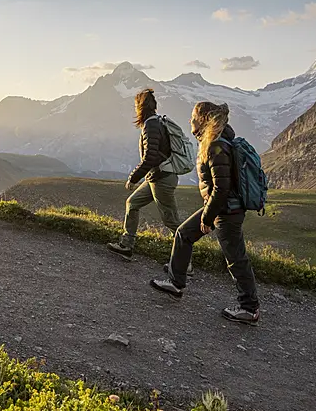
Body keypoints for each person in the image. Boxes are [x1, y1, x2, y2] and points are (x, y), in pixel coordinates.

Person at [150, 101, 260, 325]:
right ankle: (176, 283)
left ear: (203, 119)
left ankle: (249, 309)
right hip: (221, 207)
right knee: (184, 234)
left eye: (193, 117)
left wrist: (208, 218)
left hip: (225, 211)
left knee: (235, 258)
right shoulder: (215, 141)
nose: (190, 120)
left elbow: (221, 188)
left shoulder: (216, 146)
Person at [106, 88, 182, 258]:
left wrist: (133, 178)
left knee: (171, 221)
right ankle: (126, 245)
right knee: (132, 204)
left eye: (135, 106)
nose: (134, 109)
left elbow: (150, 157)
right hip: (156, 177)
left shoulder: (151, 125)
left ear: (140, 107)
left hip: (162, 179)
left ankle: (185, 263)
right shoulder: (155, 122)